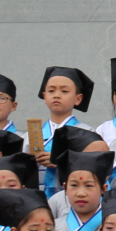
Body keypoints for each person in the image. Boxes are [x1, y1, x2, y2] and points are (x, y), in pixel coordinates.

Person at [34, 65, 95, 197]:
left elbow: (94, 167)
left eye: (64, 91)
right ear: (44, 96)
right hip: (37, 198)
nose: (57, 95)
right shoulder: (33, 134)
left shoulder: (87, 134)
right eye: (51, 91)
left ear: (78, 99)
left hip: (73, 198)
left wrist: (62, 161)